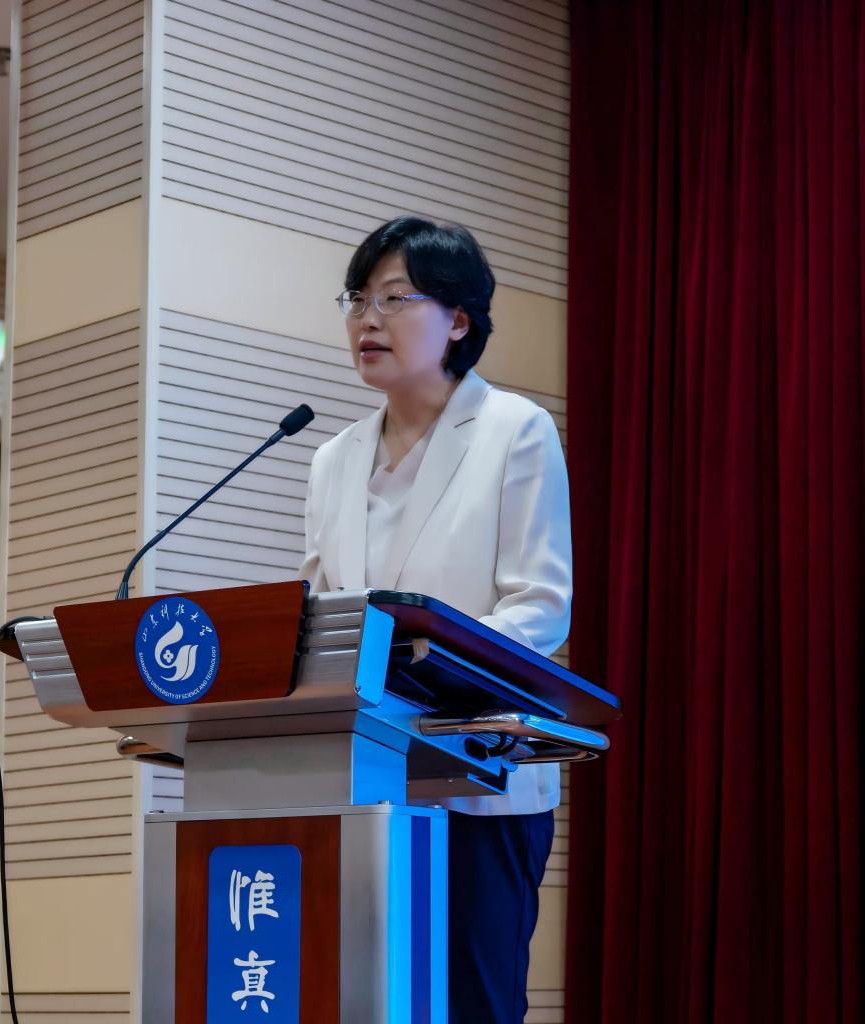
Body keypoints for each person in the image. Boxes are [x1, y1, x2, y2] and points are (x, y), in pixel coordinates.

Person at [297, 215, 572, 1023]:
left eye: (394, 298)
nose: (367, 319)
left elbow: (540, 607)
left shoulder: (515, 431)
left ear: (458, 319)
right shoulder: (332, 458)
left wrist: (424, 671)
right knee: (364, 1001)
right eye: (357, 299)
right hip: (363, 782)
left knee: (473, 1004)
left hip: (477, 776)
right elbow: (316, 615)